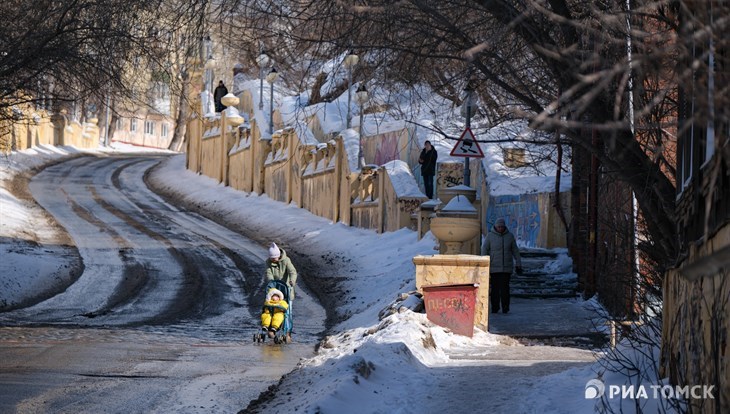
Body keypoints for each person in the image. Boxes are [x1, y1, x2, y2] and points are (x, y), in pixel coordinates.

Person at [482, 218, 522, 313]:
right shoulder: (490, 236)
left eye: (502, 227)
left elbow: (515, 251)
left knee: (505, 289)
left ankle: (505, 307)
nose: (500, 228)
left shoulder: (510, 236)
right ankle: (495, 307)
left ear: (504, 227)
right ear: (495, 227)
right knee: (495, 289)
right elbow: (485, 249)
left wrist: (518, 263)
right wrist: (484, 263)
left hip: (506, 268)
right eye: (498, 226)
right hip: (494, 267)